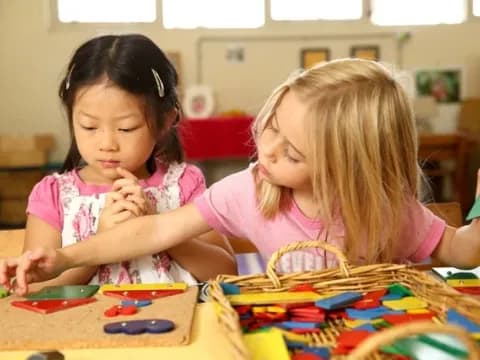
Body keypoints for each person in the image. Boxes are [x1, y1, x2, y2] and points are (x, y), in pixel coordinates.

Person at [2, 58, 480, 295]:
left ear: (348, 167)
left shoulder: (387, 209)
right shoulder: (251, 189)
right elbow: (149, 231)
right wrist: (63, 257)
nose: (265, 150)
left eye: (290, 151)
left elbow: (461, 250)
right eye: (270, 125)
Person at [4, 34, 236, 292]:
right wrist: (100, 243)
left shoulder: (184, 184)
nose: (107, 144)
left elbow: (225, 271)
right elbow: (31, 290)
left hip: (177, 325)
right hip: (81, 330)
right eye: (89, 126)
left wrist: (157, 229)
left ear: (166, 121)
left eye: (126, 128)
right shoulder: (54, 195)